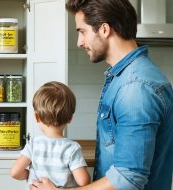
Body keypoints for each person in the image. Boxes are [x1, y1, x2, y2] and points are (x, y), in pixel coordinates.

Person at [30, 0, 173, 190]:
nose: (79, 42)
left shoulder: (135, 88)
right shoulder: (124, 77)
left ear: (104, 29)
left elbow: (127, 179)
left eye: (82, 31)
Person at [11, 81, 91, 189]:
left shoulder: (33, 144)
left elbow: (15, 172)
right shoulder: (72, 148)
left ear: (37, 117)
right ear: (70, 118)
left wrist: (30, 176)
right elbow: (84, 182)